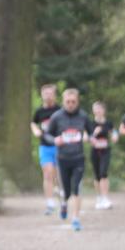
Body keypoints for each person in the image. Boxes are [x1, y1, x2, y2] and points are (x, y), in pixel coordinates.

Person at [44, 88, 95, 231]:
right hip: (62, 158)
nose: (71, 104)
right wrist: (55, 140)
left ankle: (76, 218)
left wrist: (90, 138)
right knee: (65, 191)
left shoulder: (84, 116)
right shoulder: (56, 116)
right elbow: (46, 135)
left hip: (78, 158)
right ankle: (64, 203)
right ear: (63, 102)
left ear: (77, 102)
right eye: (68, 102)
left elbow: (92, 133)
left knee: (76, 187)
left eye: (73, 102)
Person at [31, 84, 61, 215]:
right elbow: (33, 122)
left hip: (60, 146)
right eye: (45, 93)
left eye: (50, 93)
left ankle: (62, 197)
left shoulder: (60, 110)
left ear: (54, 95)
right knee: (48, 173)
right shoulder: (39, 112)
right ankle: (50, 203)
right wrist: (36, 130)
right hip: (45, 146)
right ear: (42, 95)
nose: (48, 95)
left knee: (58, 175)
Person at [89, 101, 118, 210]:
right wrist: (94, 134)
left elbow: (114, 132)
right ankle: (99, 197)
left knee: (103, 173)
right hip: (95, 151)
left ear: (103, 110)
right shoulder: (90, 123)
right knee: (97, 175)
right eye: (95, 109)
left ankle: (105, 198)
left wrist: (115, 136)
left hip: (105, 151)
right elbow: (86, 137)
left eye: (99, 109)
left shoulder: (108, 123)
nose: (97, 111)